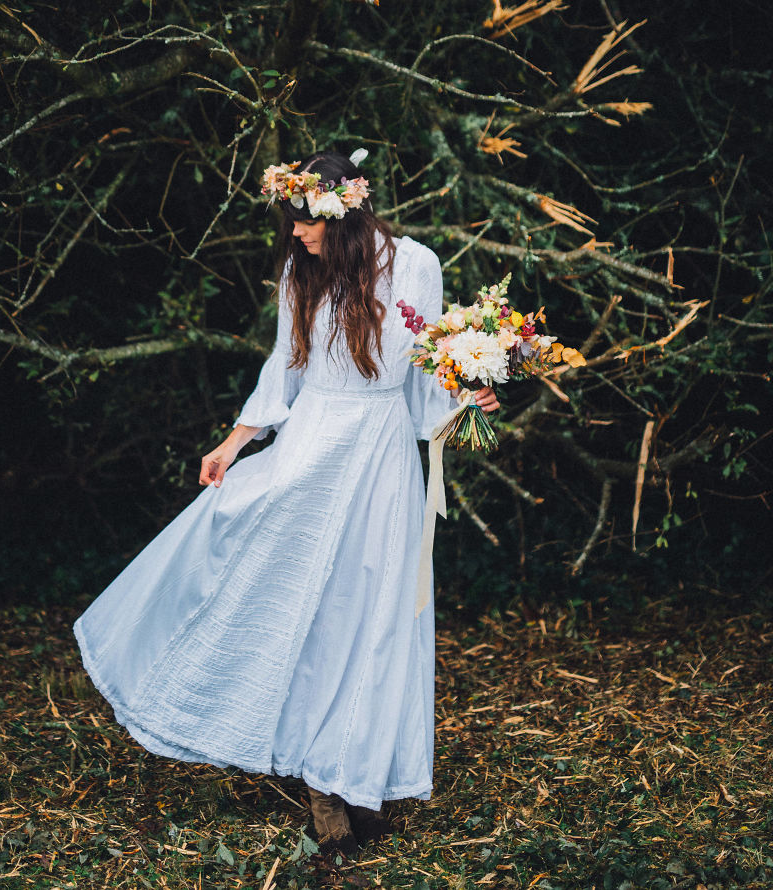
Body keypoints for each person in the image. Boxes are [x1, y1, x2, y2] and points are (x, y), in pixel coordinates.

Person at [73, 149, 499, 856]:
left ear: (343, 215)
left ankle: (355, 771)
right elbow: (286, 367)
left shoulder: (416, 265)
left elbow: (428, 375)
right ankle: (321, 783)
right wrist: (232, 443)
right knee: (311, 607)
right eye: (292, 221)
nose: (295, 233)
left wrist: (467, 399)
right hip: (312, 452)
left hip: (384, 456)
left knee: (377, 612)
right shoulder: (301, 274)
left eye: (304, 220)